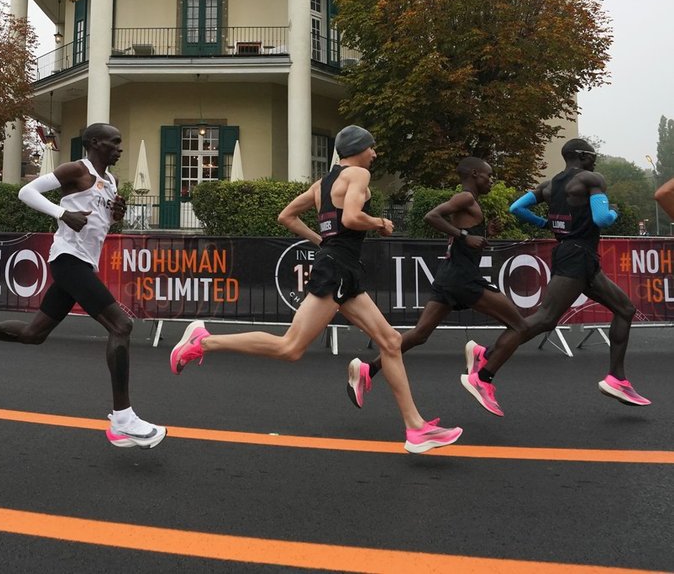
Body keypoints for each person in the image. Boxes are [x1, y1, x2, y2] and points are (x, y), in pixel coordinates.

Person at [170, 125, 463, 453]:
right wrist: (379, 222)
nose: (375, 154)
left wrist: (323, 240)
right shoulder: (358, 175)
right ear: (358, 148)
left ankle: (416, 428)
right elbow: (352, 218)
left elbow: (287, 216)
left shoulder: (322, 183)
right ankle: (203, 342)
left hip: (342, 267)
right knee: (290, 348)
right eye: (372, 147)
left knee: (391, 341)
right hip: (338, 269)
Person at [0, 123, 166, 449]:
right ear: (95, 143)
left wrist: (117, 215)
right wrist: (62, 213)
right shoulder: (76, 169)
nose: (120, 148)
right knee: (121, 325)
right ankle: (123, 417)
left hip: (84, 262)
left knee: (34, 334)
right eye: (114, 142)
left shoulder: (110, 181)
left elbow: (99, 223)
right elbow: (25, 192)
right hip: (68, 260)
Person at [466, 138, 650, 407]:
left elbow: (516, 208)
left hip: (574, 254)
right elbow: (601, 219)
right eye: (593, 155)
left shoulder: (550, 185)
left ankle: (617, 379)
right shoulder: (592, 179)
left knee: (624, 308)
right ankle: (485, 368)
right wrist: (613, 213)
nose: (595, 160)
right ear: (582, 156)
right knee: (545, 318)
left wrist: (545, 224)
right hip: (578, 255)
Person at [345, 157, 528, 417]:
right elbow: (431, 216)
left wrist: (483, 234)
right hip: (463, 279)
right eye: (489, 175)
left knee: (419, 334)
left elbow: (465, 239)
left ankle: (368, 370)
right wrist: (465, 236)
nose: (491, 180)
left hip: (450, 276)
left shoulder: (470, 203)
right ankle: (482, 374)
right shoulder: (465, 197)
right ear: (475, 174)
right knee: (520, 326)